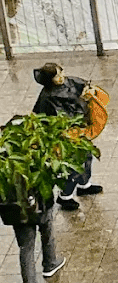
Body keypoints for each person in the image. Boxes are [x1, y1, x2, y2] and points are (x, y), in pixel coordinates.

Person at [31, 63, 102, 211]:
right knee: (72, 165)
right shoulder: (47, 97)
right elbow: (51, 118)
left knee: (87, 156)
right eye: (56, 76)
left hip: (80, 130)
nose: (61, 77)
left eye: (61, 73)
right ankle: (65, 196)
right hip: (65, 136)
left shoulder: (72, 82)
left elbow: (86, 88)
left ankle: (84, 185)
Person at [0, 176, 65, 283]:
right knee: (46, 226)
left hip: (15, 207)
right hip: (37, 199)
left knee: (26, 246)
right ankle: (50, 262)